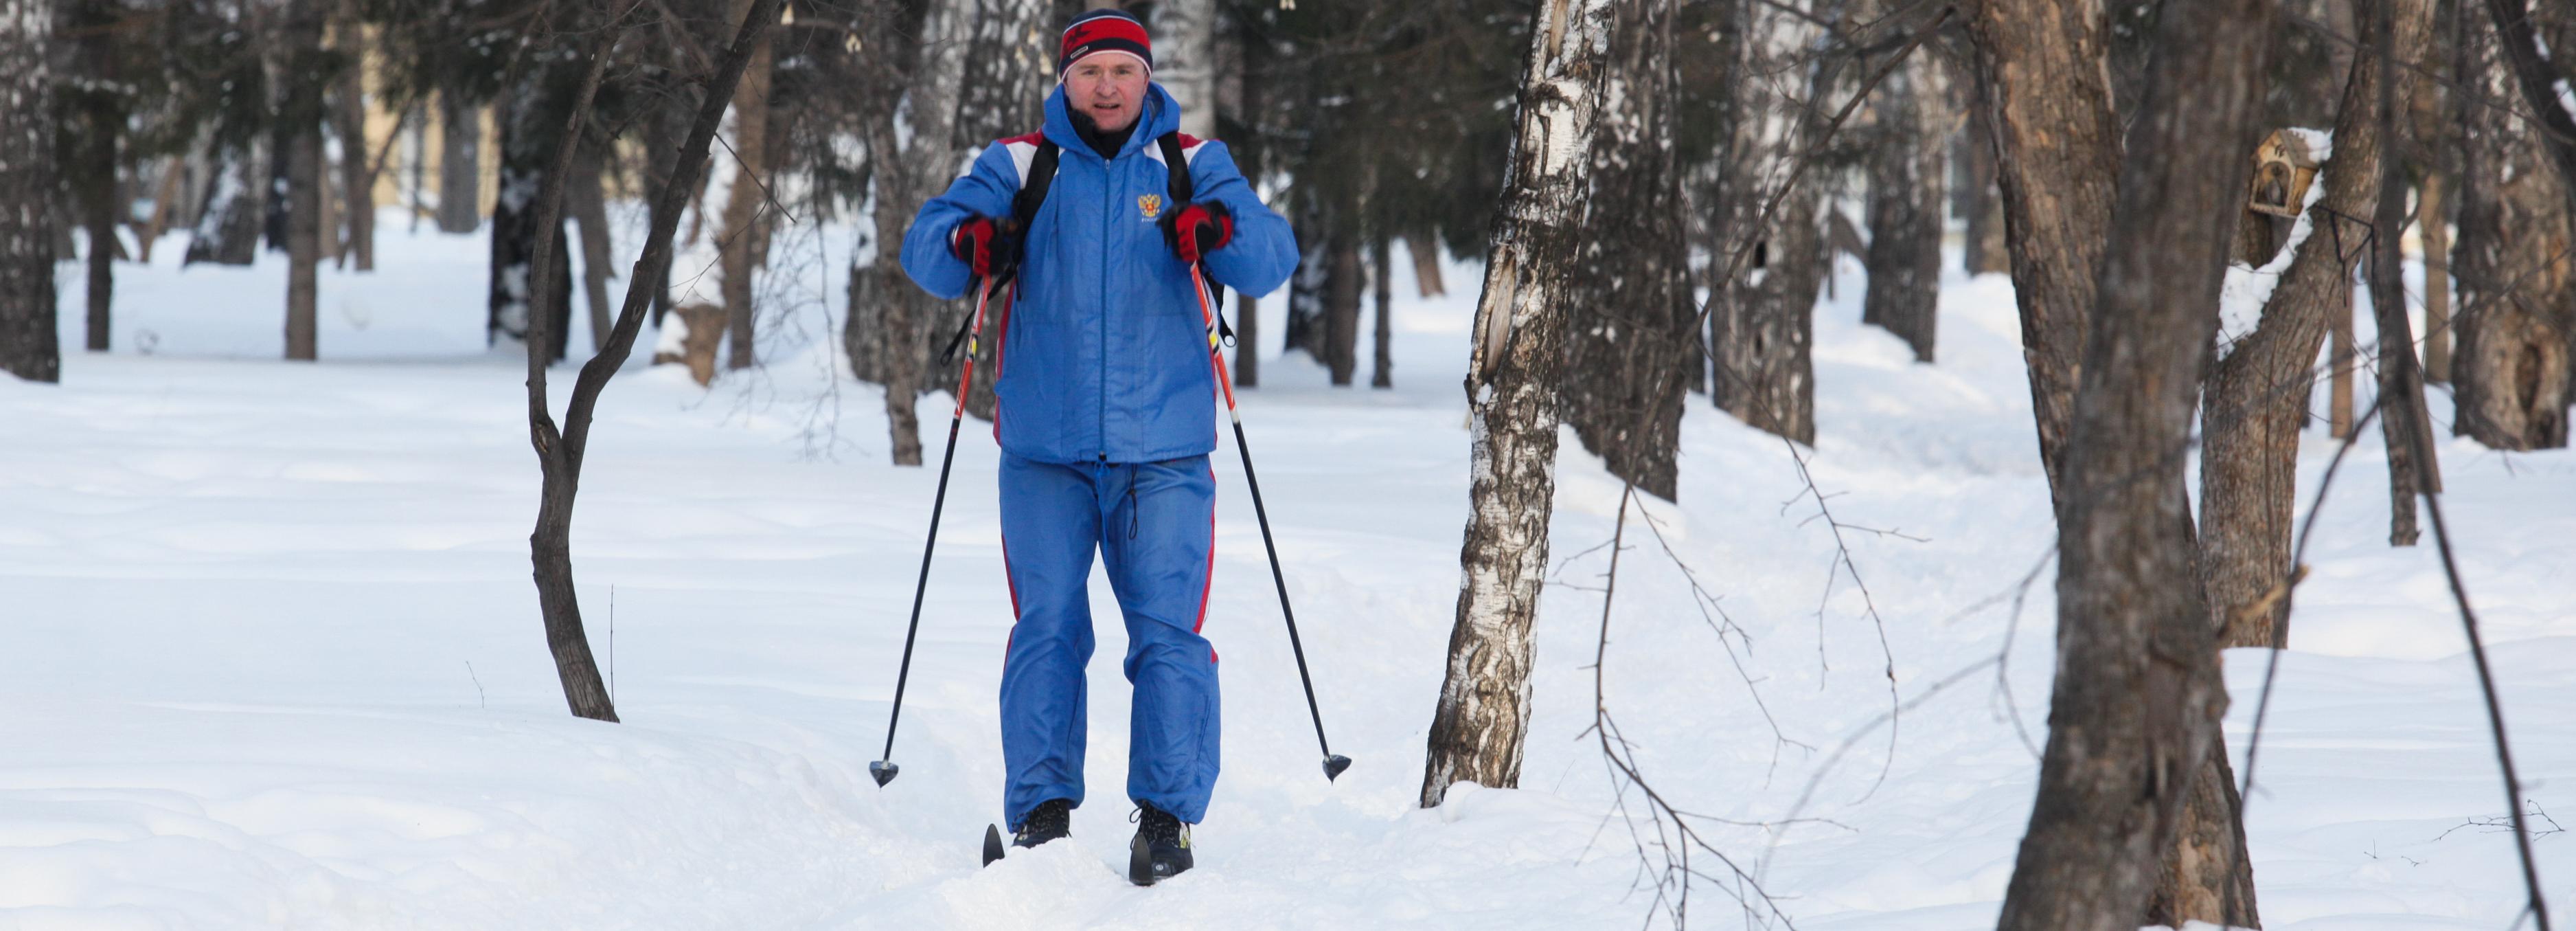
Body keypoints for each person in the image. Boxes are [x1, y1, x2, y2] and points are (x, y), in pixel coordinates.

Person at [898, 9, 1297, 886]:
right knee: (1046, 626)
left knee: (1167, 635)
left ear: (1146, 79)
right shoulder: (1017, 164)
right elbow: (927, 249)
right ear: (1064, 80)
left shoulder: (1192, 161)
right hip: (1045, 448)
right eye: (1090, 72)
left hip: (1165, 453)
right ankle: (1042, 814)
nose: (1107, 86)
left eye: (1123, 70)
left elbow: (1270, 259)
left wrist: (1221, 232)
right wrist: (969, 240)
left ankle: (1167, 818)